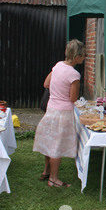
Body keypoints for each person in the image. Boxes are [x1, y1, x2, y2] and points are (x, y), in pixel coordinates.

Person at [33, 39, 86, 188]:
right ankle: (53, 179)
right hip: (63, 113)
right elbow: (73, 98)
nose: (85, 57)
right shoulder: (74, 74)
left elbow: (46, 84)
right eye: (83, 55)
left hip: (51, 109)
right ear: (77, 57)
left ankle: (46, 171)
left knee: (50, 141)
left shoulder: (57, 66)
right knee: (57, 145)